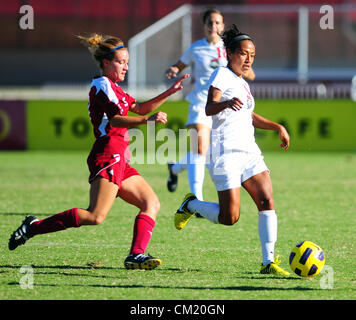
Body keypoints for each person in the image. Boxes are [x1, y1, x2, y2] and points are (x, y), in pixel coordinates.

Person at [8, 33, 189, 270]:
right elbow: (115, 120)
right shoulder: (103, 85)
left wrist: (169, 92)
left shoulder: (114, 87)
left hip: (119, 157)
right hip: (108, 153)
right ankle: (33, 227)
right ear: (106, 63)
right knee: (95, 216)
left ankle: (135, 255)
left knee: (151, 203)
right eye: (121, 62)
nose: (127, 66)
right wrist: (147, 120)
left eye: (127, 61)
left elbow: (140, 106)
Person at [174, 25, 291, 276]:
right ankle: (191, 205)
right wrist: (225, 103)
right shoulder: (222, 75)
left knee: (267, 200)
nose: (248, 59)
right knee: (230, 218)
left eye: (252, 55)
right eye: (243, 53)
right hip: (224, 152)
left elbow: (248, 115)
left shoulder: (242, 83)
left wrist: (277, 126)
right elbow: (208, 108)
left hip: (249, 150)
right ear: (229, 53)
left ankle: (268, 262)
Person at [165, 8, 255, 203]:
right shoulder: (195, 48)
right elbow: (179, 65)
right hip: (200, 103)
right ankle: (196, 199)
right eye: (210, 23)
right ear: (204, 26)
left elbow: (250, 73)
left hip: (225, 109)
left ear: (222, 26)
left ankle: (174, 168)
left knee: (206, 153)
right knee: (200, 148)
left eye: (217, 23)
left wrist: (246, 71)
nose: (213, 26)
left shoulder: (230, 49)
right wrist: (173, 70)